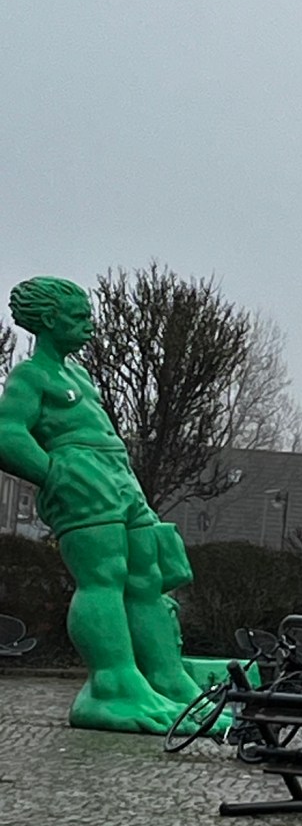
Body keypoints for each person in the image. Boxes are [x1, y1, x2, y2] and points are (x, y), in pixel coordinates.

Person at [0, 276, 201, 731]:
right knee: (103, 576)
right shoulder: (31, 375)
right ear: (48, 320)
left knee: (147, 578)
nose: (89, 325)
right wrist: (56, 474)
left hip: (119, 477)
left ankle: (167, 679)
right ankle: (113, 686)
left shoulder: (79, 375)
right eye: (78, 317)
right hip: (82, 474)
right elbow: (7, 433)